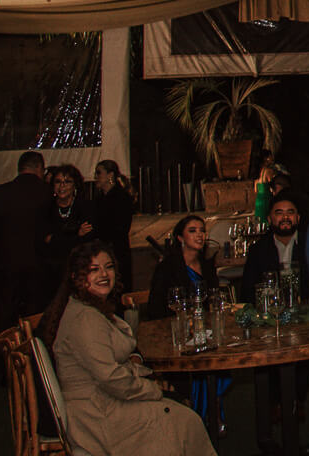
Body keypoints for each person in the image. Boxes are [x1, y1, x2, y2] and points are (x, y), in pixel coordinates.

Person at [40, 240, 215, 456]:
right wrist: (151, 390)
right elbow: (110, 377)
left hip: (104, 403)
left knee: (182, 415)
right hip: (97, 416)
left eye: (108, 267)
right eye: (94, 270)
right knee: (180, 419)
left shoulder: (89, 308)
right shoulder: (85, 318)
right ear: (76, 277)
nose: (104, 274)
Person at [241, 190, 309, 454]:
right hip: (269, 321)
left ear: (298, 218)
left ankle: (293, 399)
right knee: (267, 355)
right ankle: (275, 403)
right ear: (270, 218)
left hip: (305, 319)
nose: (285, 218)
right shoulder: (258, 250)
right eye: (279, 213)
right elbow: (247, 291)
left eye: (290, 213)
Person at [0, 150, 52, 384]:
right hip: (38, 268)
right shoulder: (47, 193)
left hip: (6, 267)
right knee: (35, 320)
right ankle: (36, 373)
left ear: (19, 168)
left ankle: (0, 372)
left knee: (3, 320)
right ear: (39, 168)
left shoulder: (0, 193)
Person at [145, 215, 218, 319]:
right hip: (174, 321)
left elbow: (213, 298)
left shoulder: (207, 265)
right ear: (181, 238)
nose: (199, 235)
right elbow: (156, 307)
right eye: (192, 231)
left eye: (202, 231)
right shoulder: (167, 267)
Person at [90, 160, 134, 291]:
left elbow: (121, 228)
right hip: (102, 250)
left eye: (99, 173)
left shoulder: (121, 197)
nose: (96, 177)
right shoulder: (99, 198)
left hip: (117, 251)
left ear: (110, 175)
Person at [45, 164, 95, 283]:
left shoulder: (86, 207)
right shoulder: (45, 209)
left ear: (75, 185)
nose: (62, 186)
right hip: (52, 270)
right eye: (58, 182)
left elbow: (87, 241)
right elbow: (45, 240)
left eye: (67, 182)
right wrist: (77, 235)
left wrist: (57, 238)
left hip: (80, 267)